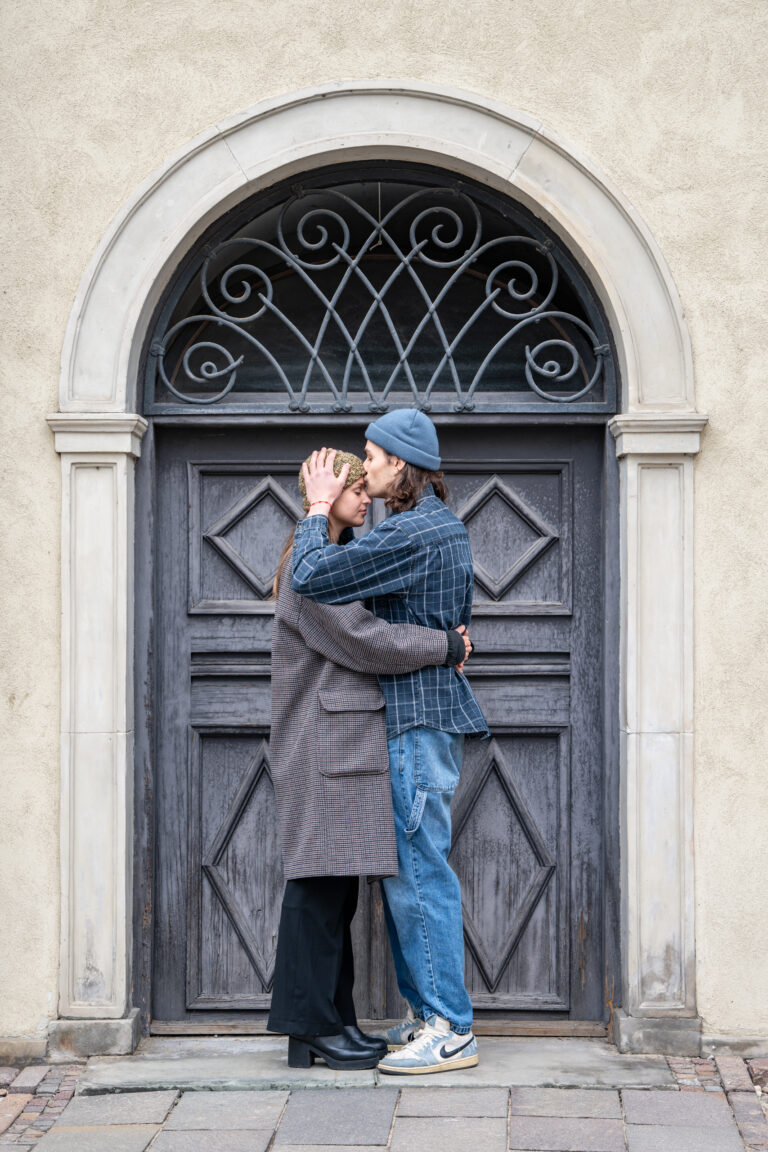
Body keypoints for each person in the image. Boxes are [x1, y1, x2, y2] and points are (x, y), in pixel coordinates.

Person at [292, 411, 489, 1075]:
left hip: (414, 722)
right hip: (417, 718)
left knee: (419, 873)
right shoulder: (437, 528)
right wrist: (448, 645)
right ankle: (428, 1014)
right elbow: (451, 619)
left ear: (400, 465)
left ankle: (448, 1027)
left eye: (372, 456)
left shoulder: (414, 531)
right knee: (414, 869)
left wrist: (319, 507)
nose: (365, 466)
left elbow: (313, 576)